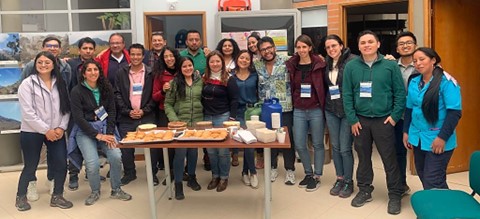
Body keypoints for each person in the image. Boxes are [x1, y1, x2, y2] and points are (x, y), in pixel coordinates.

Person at [342, 30, 405, 215]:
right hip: (360, 121)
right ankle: (364, 190)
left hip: (384, 120)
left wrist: (394, 116)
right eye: (363, 42)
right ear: (358, 46)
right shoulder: (351, 67)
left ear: (378, 44)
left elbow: (400, 93)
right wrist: (352, 118)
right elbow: (346, 94)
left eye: (370, 41)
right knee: (362, 157)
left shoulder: (389, 66)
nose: (367, 45)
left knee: (389, 158)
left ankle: (395, 194)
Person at [15, 51, 72, 211]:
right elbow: (28, 113)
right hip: (32, 132)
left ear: (54, 64)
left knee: (61, 163)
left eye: (47, 62)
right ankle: (20, 196)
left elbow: (66, 109)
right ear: (35, 64)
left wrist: (61, 127)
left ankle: (58, 196)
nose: (43, 65)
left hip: (57, 131)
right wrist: (46, 130)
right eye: (40, 62)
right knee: (31, 165)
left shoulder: (60, 83)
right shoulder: (27, 84)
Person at [70, 60, 132, 206]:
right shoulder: (76, 91)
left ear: (100, 71)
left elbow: (111, 111)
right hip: (85, 130)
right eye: (89, 70)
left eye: (96, 69)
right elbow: (78, 118)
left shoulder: (106, 87)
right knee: (92, 164)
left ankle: (116, 189)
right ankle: (95, 191)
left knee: (116, 156)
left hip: (105, 128)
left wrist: (109, 132)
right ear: (83, 74)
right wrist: (98, 135)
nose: (93, 73)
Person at [403, 47, 462, 190]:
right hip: (417, 137)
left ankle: (445, 210)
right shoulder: (414, 81)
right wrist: (406, 132)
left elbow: (454, 113)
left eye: (422, 59)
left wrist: (442, 138)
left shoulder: (446, 82)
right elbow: (409, 109)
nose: (418, 63)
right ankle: (438, 207)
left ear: (433, 60)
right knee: (424, 174)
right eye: (415, 61)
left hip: (438, 138)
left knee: (433, 178)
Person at [286, 35, 327, 192]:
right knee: (299, 143)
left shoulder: (320, 64)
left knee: (317, 143)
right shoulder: (292, 64)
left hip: (316, 109)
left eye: (304, 47)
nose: (301, 50)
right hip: (299, 110)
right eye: (299, 47)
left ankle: (317, 176)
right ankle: (308, 173)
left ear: (310, 48)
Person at [66, 37, 108, 191]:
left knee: (92, 144)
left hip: (94, 114)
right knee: (75, 143)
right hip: (76, 112)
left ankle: (91, 174)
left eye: (91, 48)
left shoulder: (97, 64)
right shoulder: (70, 65)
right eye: (85, 48)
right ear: (79, 50)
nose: (88, 51)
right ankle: (73, 176)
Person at [254, 36, 296, 185]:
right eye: (263, 49)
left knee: (286, 139)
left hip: (285, 107)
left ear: (274, 48)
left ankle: (290, 170)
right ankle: (272, 167)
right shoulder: (257, 65)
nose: (267, 51)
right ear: (259, 52)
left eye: (269, 48)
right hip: (266, 109)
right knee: (269, 138)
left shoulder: (288, 60)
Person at [114, 44, 156, 185]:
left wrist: (145, 110)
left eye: (138, 54)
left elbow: (154, 95)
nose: (135, 57)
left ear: (143, 56)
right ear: (129, 55)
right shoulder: (121, 72)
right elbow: (117, 93)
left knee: (151, 146)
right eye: (133, 54)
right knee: (126, 147)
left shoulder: (151, 72)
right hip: (127, 116)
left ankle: (153, 174)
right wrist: (128, 111)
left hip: (147, 115)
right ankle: (130, 173)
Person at [164, 57, 203, 200]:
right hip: (180, 125)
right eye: (184, 66)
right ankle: (178, 184)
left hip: (196, 124)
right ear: (180, 68)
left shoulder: (200, 81)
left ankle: (192, 177)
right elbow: (168, 104)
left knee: (193, 152)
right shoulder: (174, 83)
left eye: (190, 65)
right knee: (180, 154)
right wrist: (175, 121)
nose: (188, 68)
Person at [323, 34, 356, 198]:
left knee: (344, 148)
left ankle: (349, 181)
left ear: (341, 45)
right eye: (328, 47)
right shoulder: (326, 63)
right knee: (335, 148)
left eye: (334, 46)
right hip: (331, 110)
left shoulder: (353, 61)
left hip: (347, 111)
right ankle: (340, 178)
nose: (331, 49)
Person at [202, 50, 239, 192]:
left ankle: (224, 177)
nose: (215, 64)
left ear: (222, 63)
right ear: (208, 63)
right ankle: (215, 176)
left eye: (218, 61)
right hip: (207, 118)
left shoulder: (229, 79)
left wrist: (231, 118)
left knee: (223, 151)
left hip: (223, 117)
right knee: (211, 151)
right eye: (212, 61)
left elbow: (234, 99)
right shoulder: (204, 78)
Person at [393, 31, 420, 195]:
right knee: (398, 153)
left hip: (419, 118)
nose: (405, 46)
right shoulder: (391, 66)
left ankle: (430, 187)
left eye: (409, 42)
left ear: (415, 46)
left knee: (422, 152)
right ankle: (401, 184)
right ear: (397, 49)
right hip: (398, 117)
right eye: (401, 44)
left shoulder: (423, 65)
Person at [180, 29, 211, 171]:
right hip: (187, 98)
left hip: (205, 97)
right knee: (187, 133)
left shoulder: (206, 55)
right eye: (191, 39)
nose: (194, 42)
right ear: (186, 42)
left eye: (196, 39)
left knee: (204, 129)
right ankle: (187, 164)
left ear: (200, 41)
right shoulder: (180, 56)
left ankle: (207, 157)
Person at [151, 46, 179, 186]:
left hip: (181, 113)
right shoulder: (159, 74)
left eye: (171, 56)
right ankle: (171, 172)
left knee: (182, 144)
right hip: (164, 112)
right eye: (166, 56)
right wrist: (162, 90)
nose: (169, 59)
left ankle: (180, 171)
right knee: (168, 144)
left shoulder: (183, 70)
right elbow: (154, 97)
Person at [232, 50, 259, 189]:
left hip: (253, 112)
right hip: (238, 113)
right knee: (247, 142)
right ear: (237, 59)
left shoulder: (255, 75)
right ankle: (252, 171)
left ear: (250, 61)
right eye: (241, 57)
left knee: (250, 142)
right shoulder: (231, 76)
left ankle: (246, 172)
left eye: (247, 58)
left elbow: (259, 92)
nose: (244, 60)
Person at [216, 38, 241, 166]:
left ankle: (235, 154)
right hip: (222, 98)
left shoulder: (238, 60)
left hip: (235, 94)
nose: (227, 48)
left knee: (233, 129)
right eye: (224, 45)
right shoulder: (216, 61)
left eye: (229, 45)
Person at [246, 32, 265, 169]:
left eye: (253, 42)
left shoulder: (266, 56)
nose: (251, 45)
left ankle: (268, 158)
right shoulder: (249, 59)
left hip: (265, 98)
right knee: (255, 129)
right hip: (253, 99)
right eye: (249, 43)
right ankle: (259, 157)